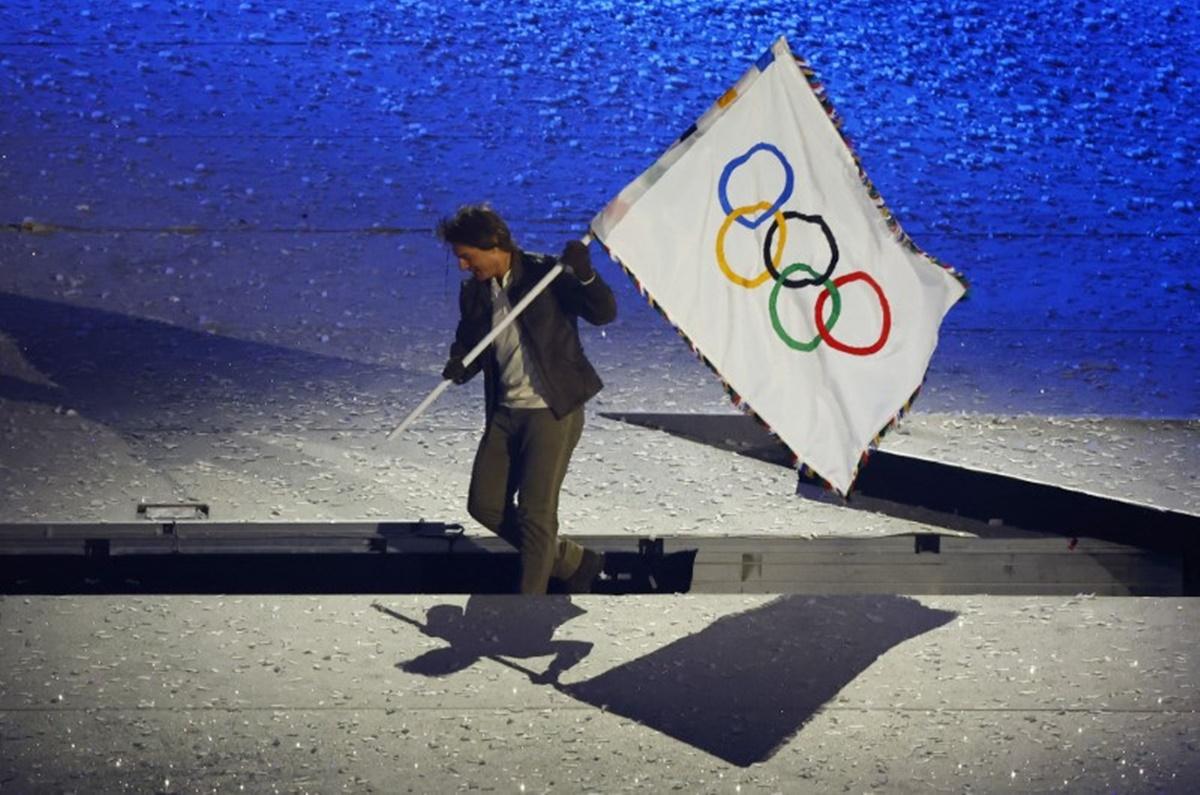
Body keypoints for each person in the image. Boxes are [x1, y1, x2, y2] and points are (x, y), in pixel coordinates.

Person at [437, 204, 617, 595]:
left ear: (494, 244)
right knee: (485, 504)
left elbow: (604, 313)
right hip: (505, 413)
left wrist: (584, 273)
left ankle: (528, 608)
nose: (464, 266)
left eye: (468, 256)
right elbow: (470, 343)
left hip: (550, 411)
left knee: (536, 515)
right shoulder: (475, 294)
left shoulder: (545, 274)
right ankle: (572, 560)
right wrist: (459, 365)